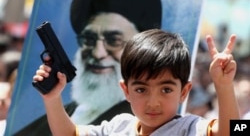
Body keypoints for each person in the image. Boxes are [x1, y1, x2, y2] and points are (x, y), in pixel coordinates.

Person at [14, 0, 162, 135]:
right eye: (89, 40)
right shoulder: (43, 124)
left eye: (113, 41)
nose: (98, 53)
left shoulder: (146, 126)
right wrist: (52, 98)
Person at [33, 29, 239, 136]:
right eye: (141, 89)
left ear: (184, 91)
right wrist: (52, 99)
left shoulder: (190, 128)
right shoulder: (118, 127)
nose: (153, 102)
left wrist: (224, 86)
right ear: (126, 90)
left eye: (166, 89)